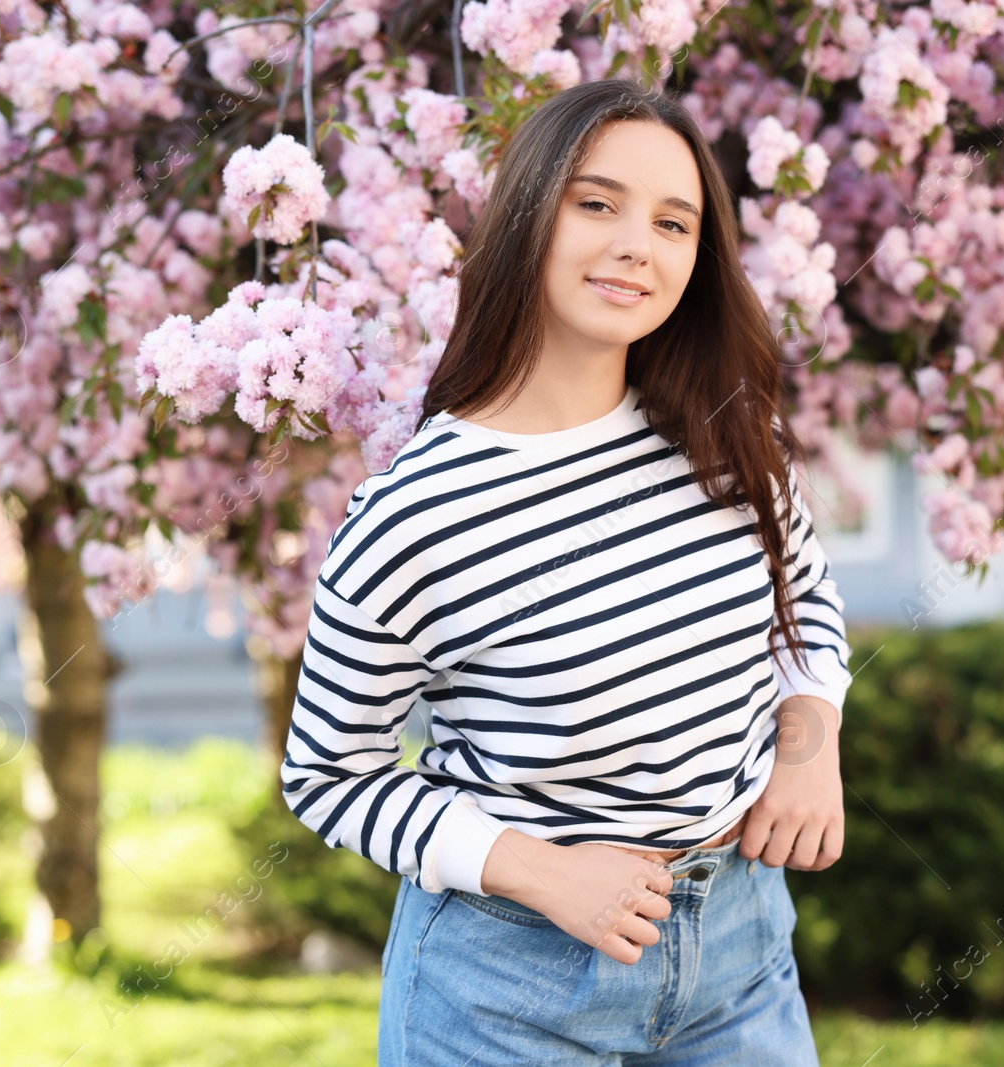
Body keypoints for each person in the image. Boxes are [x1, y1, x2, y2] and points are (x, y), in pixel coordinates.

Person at [280, 75, 853, 1065]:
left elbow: (803, 603)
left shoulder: (728, 436)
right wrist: (543, 872)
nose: (638, 243)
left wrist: (808, 742)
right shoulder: (415, 513)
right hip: (506, 983)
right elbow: (332, 773)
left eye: (674, 224)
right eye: (597, 203)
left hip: (738, 948)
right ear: (527, 217)